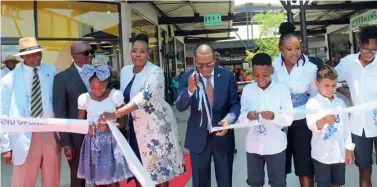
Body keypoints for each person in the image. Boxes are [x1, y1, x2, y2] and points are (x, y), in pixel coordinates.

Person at [100, 34, 185, 187]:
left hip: (156, 130)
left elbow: (143, 97)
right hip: (134, 130)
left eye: (142, 51)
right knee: (139, 170)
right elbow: (121, 98)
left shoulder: (155, 72)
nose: (137, 55)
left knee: (159, 174)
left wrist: (116, 114)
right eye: (134, 51)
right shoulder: (125, 71)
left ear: (148, 53)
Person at [176, 43, 240, 187]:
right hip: (198, 138)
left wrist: (229, 120)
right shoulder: (188, 77)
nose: (204, 69)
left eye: (208, 64)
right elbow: (180, 106)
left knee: (225, 181)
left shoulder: (227, 76)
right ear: (194, 61)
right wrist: (191, 89)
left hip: (222, 136)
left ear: (215, 59)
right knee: (200, 182)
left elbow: (235, 104)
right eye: (200, 65)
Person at [0, 37, 61, 187]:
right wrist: (6, 147)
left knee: (52, 179)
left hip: (49, 132)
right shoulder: (9, 79)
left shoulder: (51, 71)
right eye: (30, 55)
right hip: (23, 134)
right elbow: (2, 112)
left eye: (37, 53)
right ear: (22, 57)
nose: (35, 57)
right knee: (24, 181)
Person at [272, 22, 318, 187]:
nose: (294, 52)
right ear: (281, 49)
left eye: (297, 48)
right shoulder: (273, 66)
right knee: (279, 166)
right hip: (279, 122)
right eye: (289, 49)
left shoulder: (310, 68)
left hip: (303, 121)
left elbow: (314, 97)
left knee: (305, 166)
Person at [239, 53, 294, 187]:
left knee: (278, 183)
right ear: (252, 73)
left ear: (272, 71)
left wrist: (274, 116)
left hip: (276, 146)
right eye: (256, 75)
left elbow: (288, 119)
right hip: (253, 146)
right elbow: (241, 116)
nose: (261, 79)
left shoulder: (282, 90)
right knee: (255, 183)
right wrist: (248, 116)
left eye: (265, 75)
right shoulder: (247, 90)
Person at [334, 25, 377, 187]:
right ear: (359, 44)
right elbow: (331, 79)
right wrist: (347, 94)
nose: (370, 54)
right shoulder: (348, 63)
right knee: (364, 168)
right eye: (367, 50)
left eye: (374, 51)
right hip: (359, 125)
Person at [76, 64, 133, 186]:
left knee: (113, 180)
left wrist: (109, 127)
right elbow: (79, 121)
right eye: (93, 88)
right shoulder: (84, 98)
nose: (97, 91)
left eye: (101, 87)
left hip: (112, 142)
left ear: (107, 82)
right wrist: (87, 128)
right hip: (93, 143)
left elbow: (122, 122)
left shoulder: (115, 96)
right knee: (98, 180)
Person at [305, 66, 354, 187]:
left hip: (339, 154)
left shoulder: (341, 103)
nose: (330, 89)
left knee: (337, 184)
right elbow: (312, 126)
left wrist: (349, 150)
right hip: (321, 155)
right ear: (317, 84)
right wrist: (324, 120)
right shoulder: (313, 103)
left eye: (333, 85)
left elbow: (347, 129)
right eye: (326, 85)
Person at [53, 41, 94, 187]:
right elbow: (60, 112)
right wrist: (66, 143)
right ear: (74, 56)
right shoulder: (62, 78)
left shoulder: (99, 74)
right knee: (78, 177)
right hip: (77, 137)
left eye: (91, 51)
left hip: (100, 133)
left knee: (103, 175)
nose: (90, 55)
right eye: (86, 53)